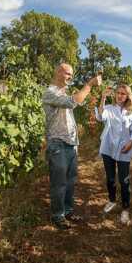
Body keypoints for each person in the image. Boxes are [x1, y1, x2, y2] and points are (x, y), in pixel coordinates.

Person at [42, 63, 102, 230]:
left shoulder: (64, 92)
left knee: (70, 182)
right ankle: (57, 216)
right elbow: (72, 102)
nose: (70, 77)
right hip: (58, 143)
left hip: (70, 144)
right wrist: (89, 84)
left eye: (71, 74)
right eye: (68, 73)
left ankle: (67, 211)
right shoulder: (50, 93)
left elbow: (78, 102)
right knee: (59, 183)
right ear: (58, 72)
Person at [95, 84, 132, 225]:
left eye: (123, 94)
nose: (120, 95)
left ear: (128, 96)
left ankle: (125, 209)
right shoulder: (109, 108)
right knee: (110, 179)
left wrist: (131, 143)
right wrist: (103, 97)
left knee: (124, 181)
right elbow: (100, 117)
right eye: (118, 93)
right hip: (108, 148)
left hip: (124, 150)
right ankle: (112, 200)